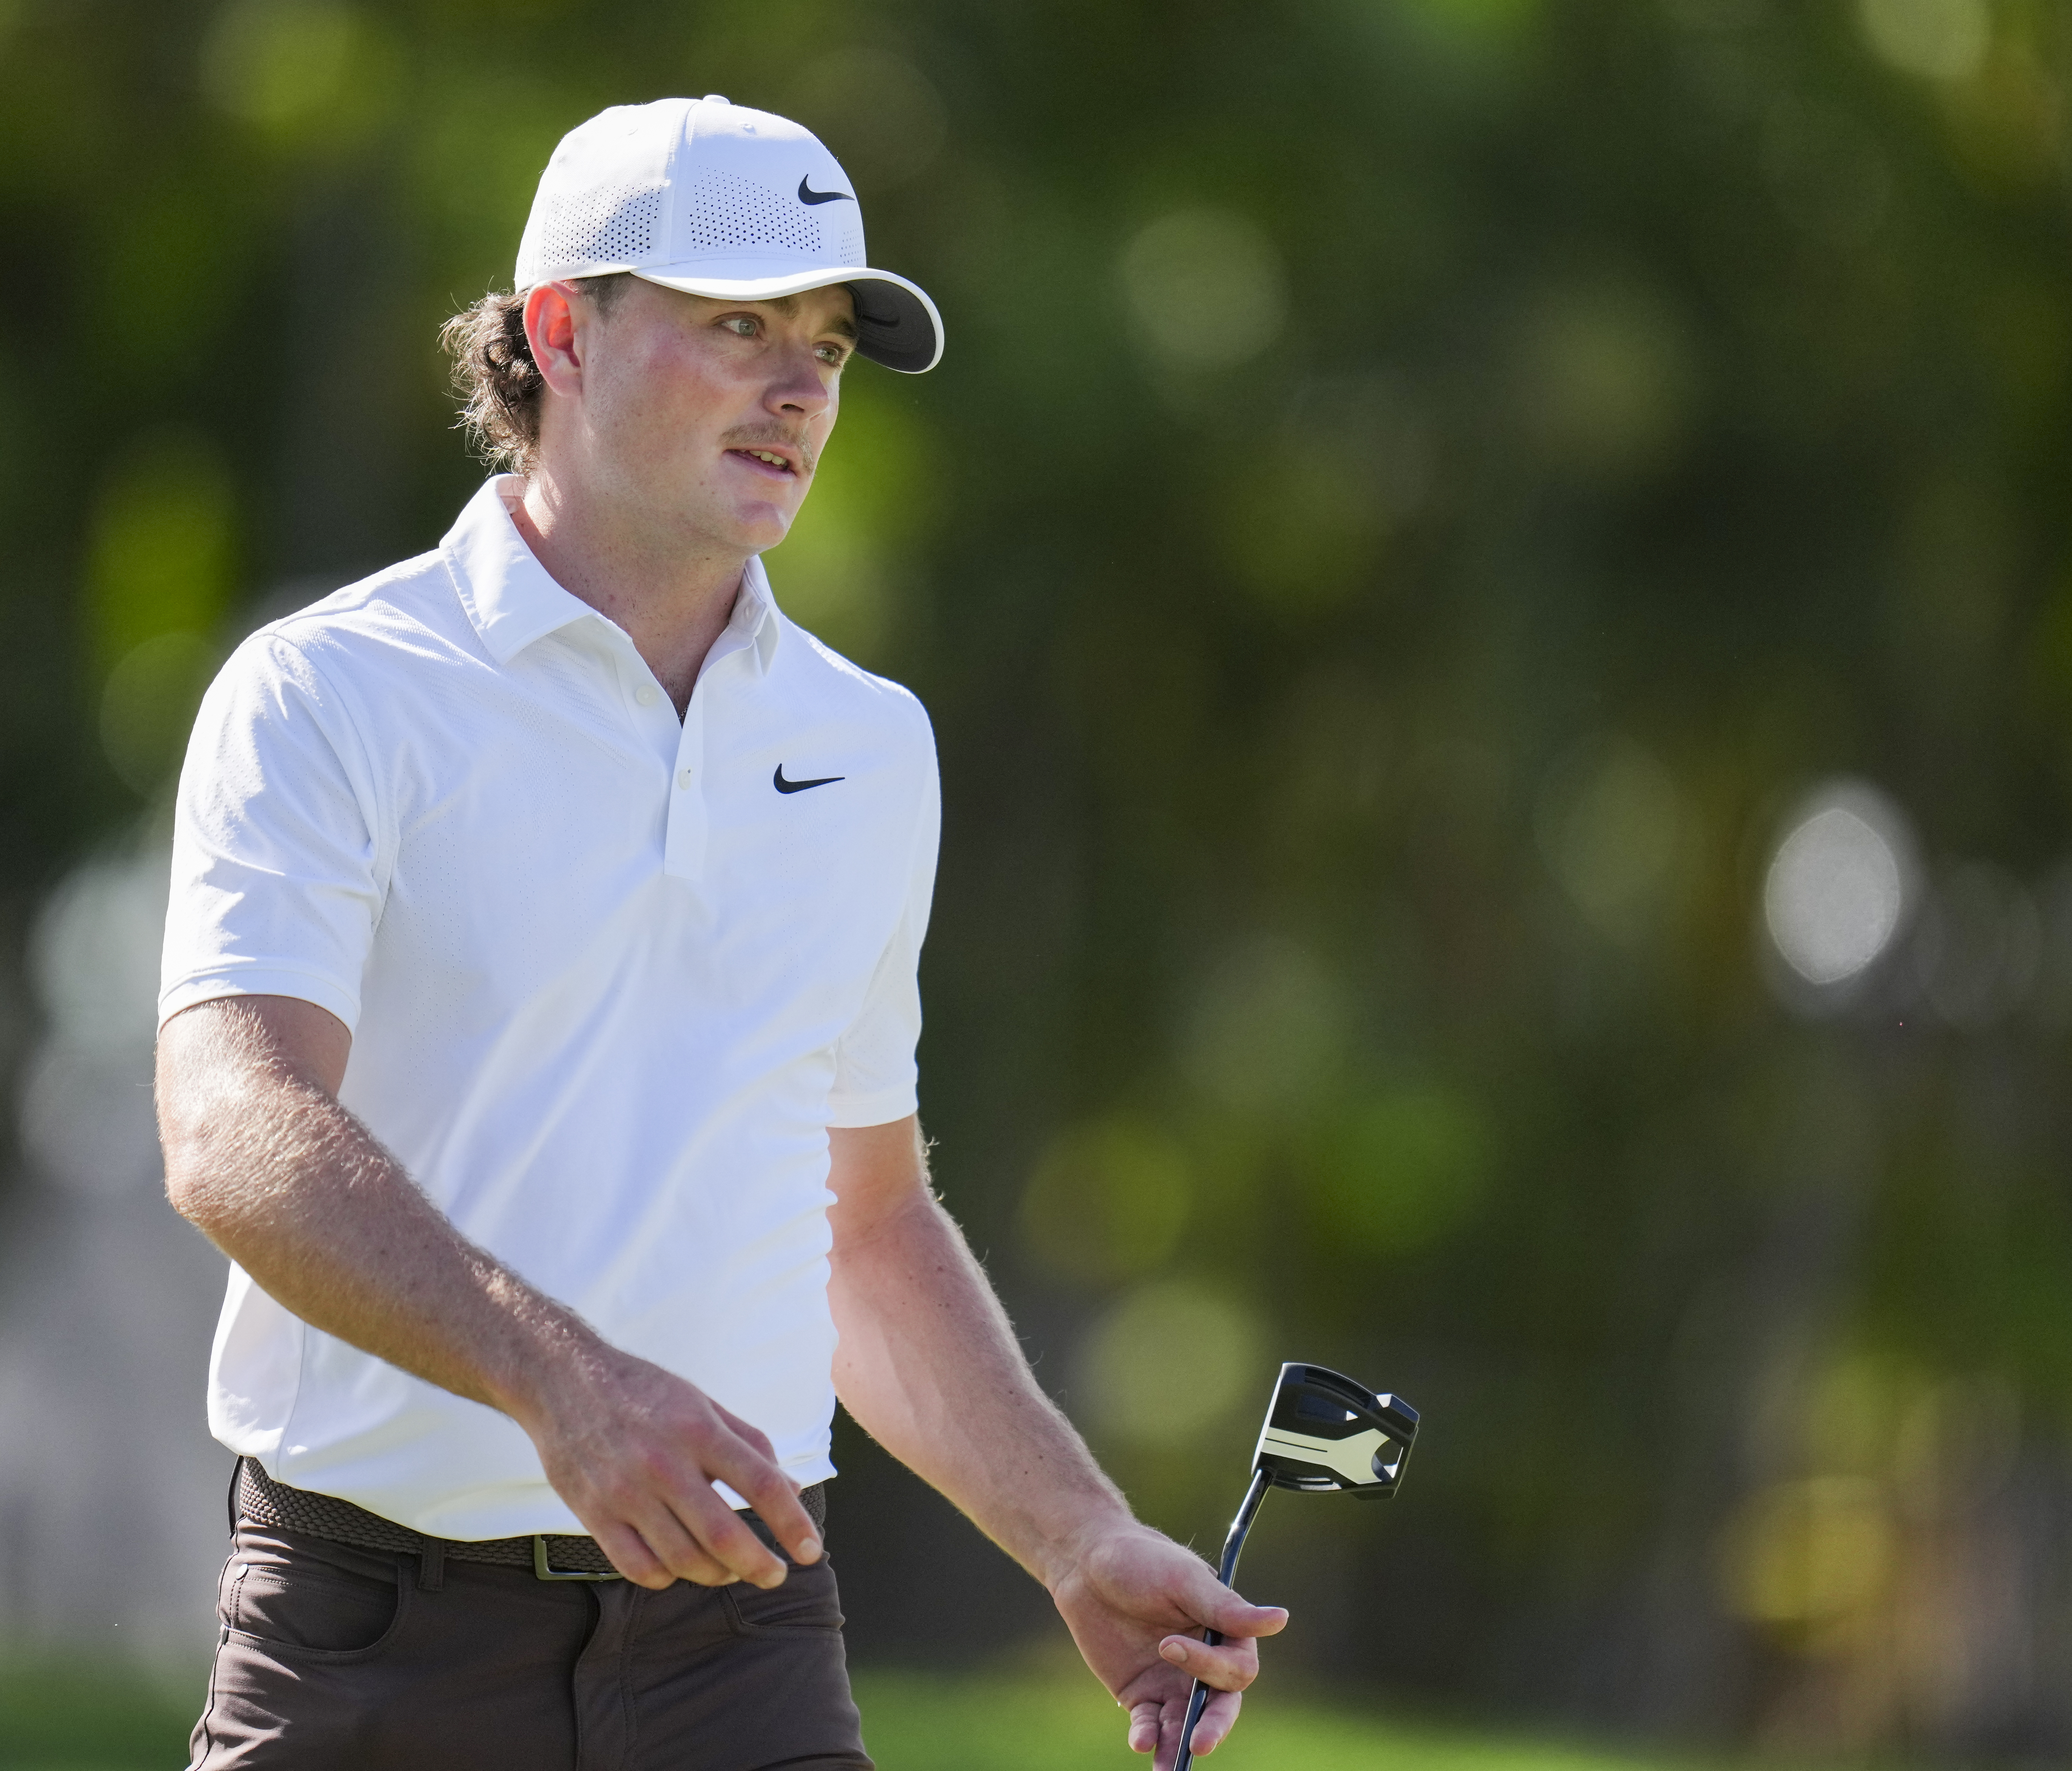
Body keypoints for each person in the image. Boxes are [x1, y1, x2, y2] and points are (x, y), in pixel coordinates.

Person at [153, 94, 1285, 1770]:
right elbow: (232, 1127)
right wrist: (569, 1390)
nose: (800, 388)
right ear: (561, 335)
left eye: (826, 344)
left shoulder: (869, 742)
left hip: (738, 1646)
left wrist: (1072, 1530)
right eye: (738, 325)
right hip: (374, 1634)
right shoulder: (330, 691)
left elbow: (864, 1220)